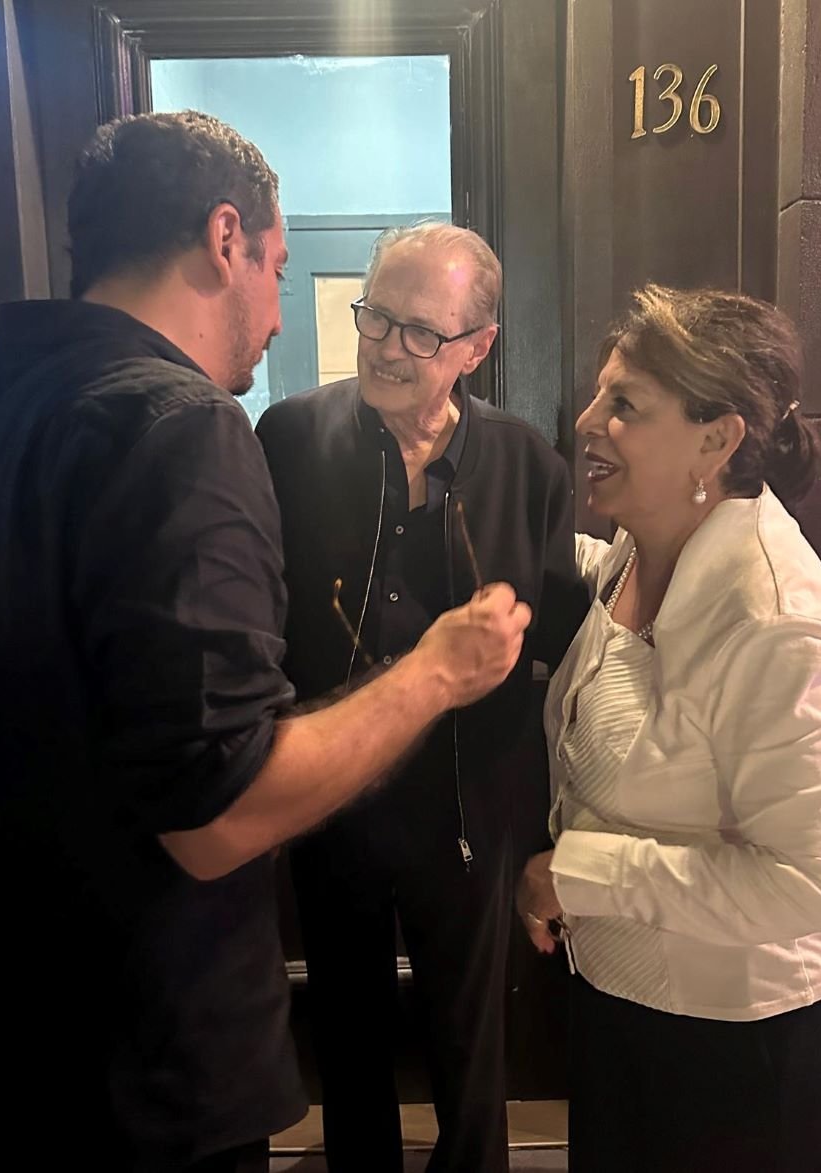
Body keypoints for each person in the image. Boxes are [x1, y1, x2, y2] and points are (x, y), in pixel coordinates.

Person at [0, 112, 532, 1173]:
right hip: (147, 1059)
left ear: (477, 349)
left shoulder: (16, 390)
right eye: (282, 271)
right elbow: (218, 810)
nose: (285, 319)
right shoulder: (193, 427)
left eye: (420, 331)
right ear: (225, 237)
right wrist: (434, 672)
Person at [256, 222, 587, 1173]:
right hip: (330, 798)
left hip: (472, 812)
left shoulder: (528, 465)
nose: (386, 348)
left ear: (477, 348)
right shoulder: (288, 438)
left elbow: (563, 640)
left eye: (421, 333)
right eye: (377, 317)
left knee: (471, 1049)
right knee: (346, 1039)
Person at [517, 284, 821, 1173]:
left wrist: (577, 874)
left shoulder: (777, 624)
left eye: (625, 405)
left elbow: (813, 885)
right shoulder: (648, 545)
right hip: (627, 998)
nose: (588, 421)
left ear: (717, 440)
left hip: (742, 1043)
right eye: (599, 395)